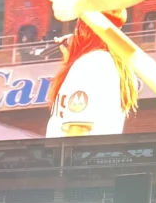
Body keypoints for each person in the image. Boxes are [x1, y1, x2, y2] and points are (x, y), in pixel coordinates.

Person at [46, 9, 137, 137]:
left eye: (78, 24)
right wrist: (72, 60)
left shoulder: (92, 63)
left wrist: (79, 62)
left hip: (72, 154)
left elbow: (78, 132)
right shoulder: (105, 61)